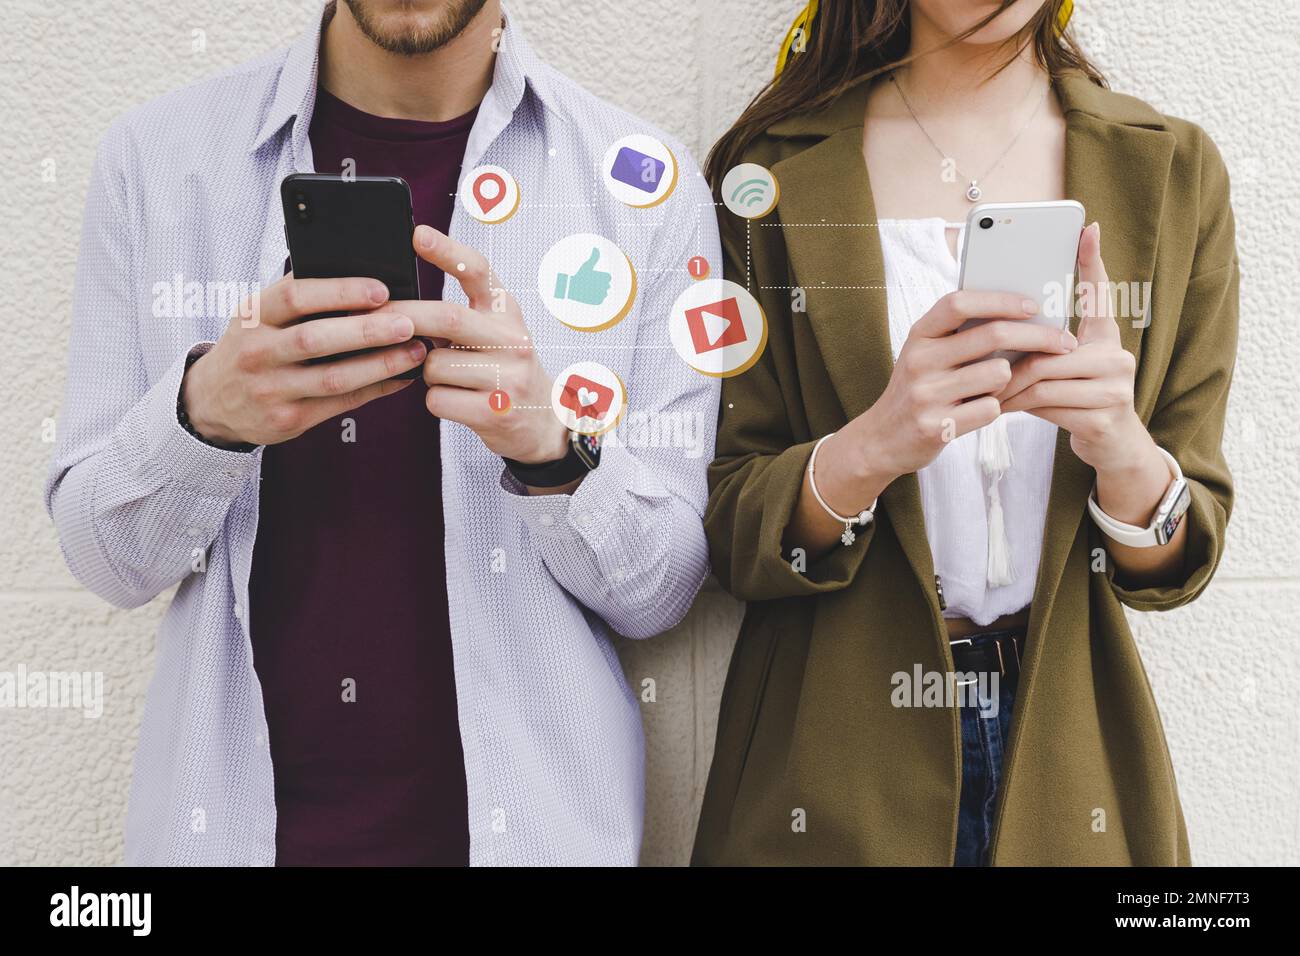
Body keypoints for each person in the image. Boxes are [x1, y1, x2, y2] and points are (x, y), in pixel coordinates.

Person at [45, 0, 720, 866]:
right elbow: (107, 562)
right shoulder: (157, 161)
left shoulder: (642, 185)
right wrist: (201, 418)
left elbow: (660, 591)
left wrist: (554, 448)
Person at [693, 0, 1236, 866]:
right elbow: (731, 532)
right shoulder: (766, 175)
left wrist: (1123, 451)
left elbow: (1177, 562)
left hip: (1074, 766)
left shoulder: (1171, 170)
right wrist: (874, 444)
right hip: (831, 767)